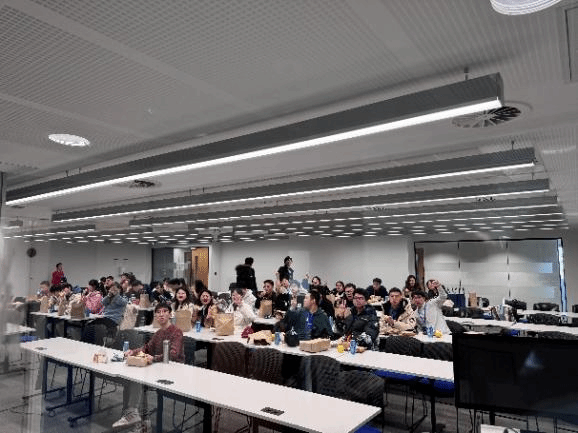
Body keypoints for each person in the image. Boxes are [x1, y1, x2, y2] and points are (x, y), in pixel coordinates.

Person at [114, 303, 184, 430]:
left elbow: (173, 354)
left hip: (173, 371)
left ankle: (138, 419)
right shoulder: (158, 333)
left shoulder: (176, 332)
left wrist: (154, 358)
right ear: (155, 316)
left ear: (170, 314)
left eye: (164, 311)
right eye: (158, 312)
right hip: (159, 368)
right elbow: (147, 348)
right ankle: (134, 416)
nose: (161, 314)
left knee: (138, 379)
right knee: (132, 378)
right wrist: (132, 351)